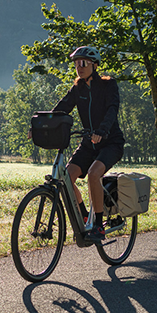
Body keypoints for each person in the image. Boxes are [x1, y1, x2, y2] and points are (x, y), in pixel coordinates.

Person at [51, 45, 125, 243]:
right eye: (76, 64)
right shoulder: (78, 88)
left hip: (110, 142)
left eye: (83, 63)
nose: (79, 67)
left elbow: (112, 109)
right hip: (88, 144)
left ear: (94, 65)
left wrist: (103, 130)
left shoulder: (108, 85)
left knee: (93, 174)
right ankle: (85, 215)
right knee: (67, 178)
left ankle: (99, 226)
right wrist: (43, 124)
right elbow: (61, 109)